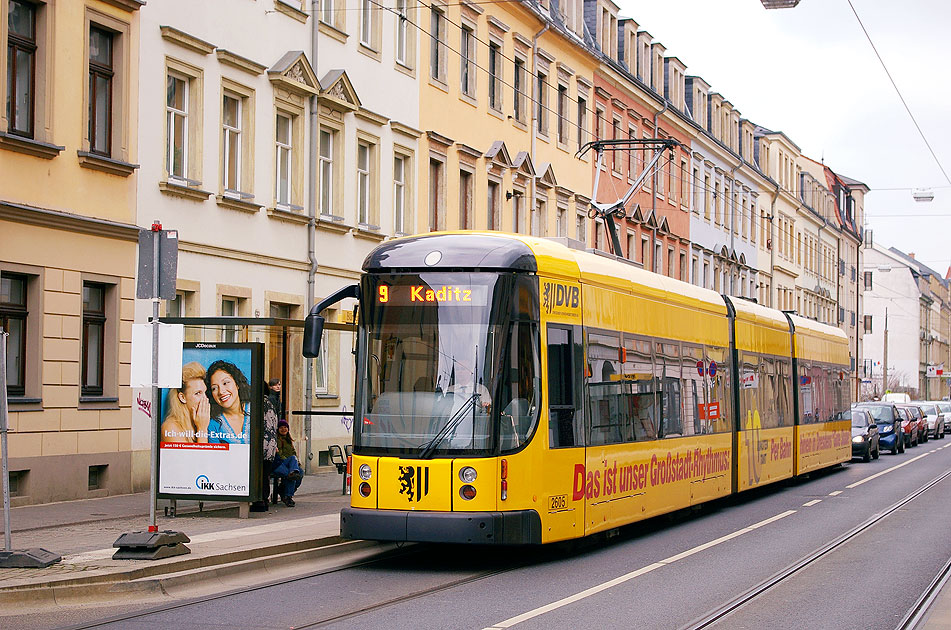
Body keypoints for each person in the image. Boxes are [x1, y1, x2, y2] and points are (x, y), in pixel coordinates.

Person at [161, 362, 210, 444]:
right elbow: (201, 457)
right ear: (182, 397)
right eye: (197, 393)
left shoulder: (200, 421)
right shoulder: (170, 427)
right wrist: (202, 429)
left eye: (205, 392)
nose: (205, 399)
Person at [205, 360, 251, 444]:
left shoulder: (255, 409)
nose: (221, 392)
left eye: (225, 383)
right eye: (214, 388)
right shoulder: (214, 425)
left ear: (237, 384)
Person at [251, 390, 279, 513]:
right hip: (271, 446)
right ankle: (264, 500)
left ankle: (259, 501)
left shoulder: (258, 403)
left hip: (261, 445)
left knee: (259, 474)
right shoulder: (270, 404)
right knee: (265, 475)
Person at [271, 419, 303, 507]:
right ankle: (288, 496)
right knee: (292, 474)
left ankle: (283, 490)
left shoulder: (289, 440)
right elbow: (280, 455)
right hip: (279, 463)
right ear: (278, 429)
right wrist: (290, 463)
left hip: (290, 464)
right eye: (281, 427)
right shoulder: (275, 440)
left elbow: (293, 453)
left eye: (285, 427)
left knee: (299, 473)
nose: (283, 429)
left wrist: (296, 464)